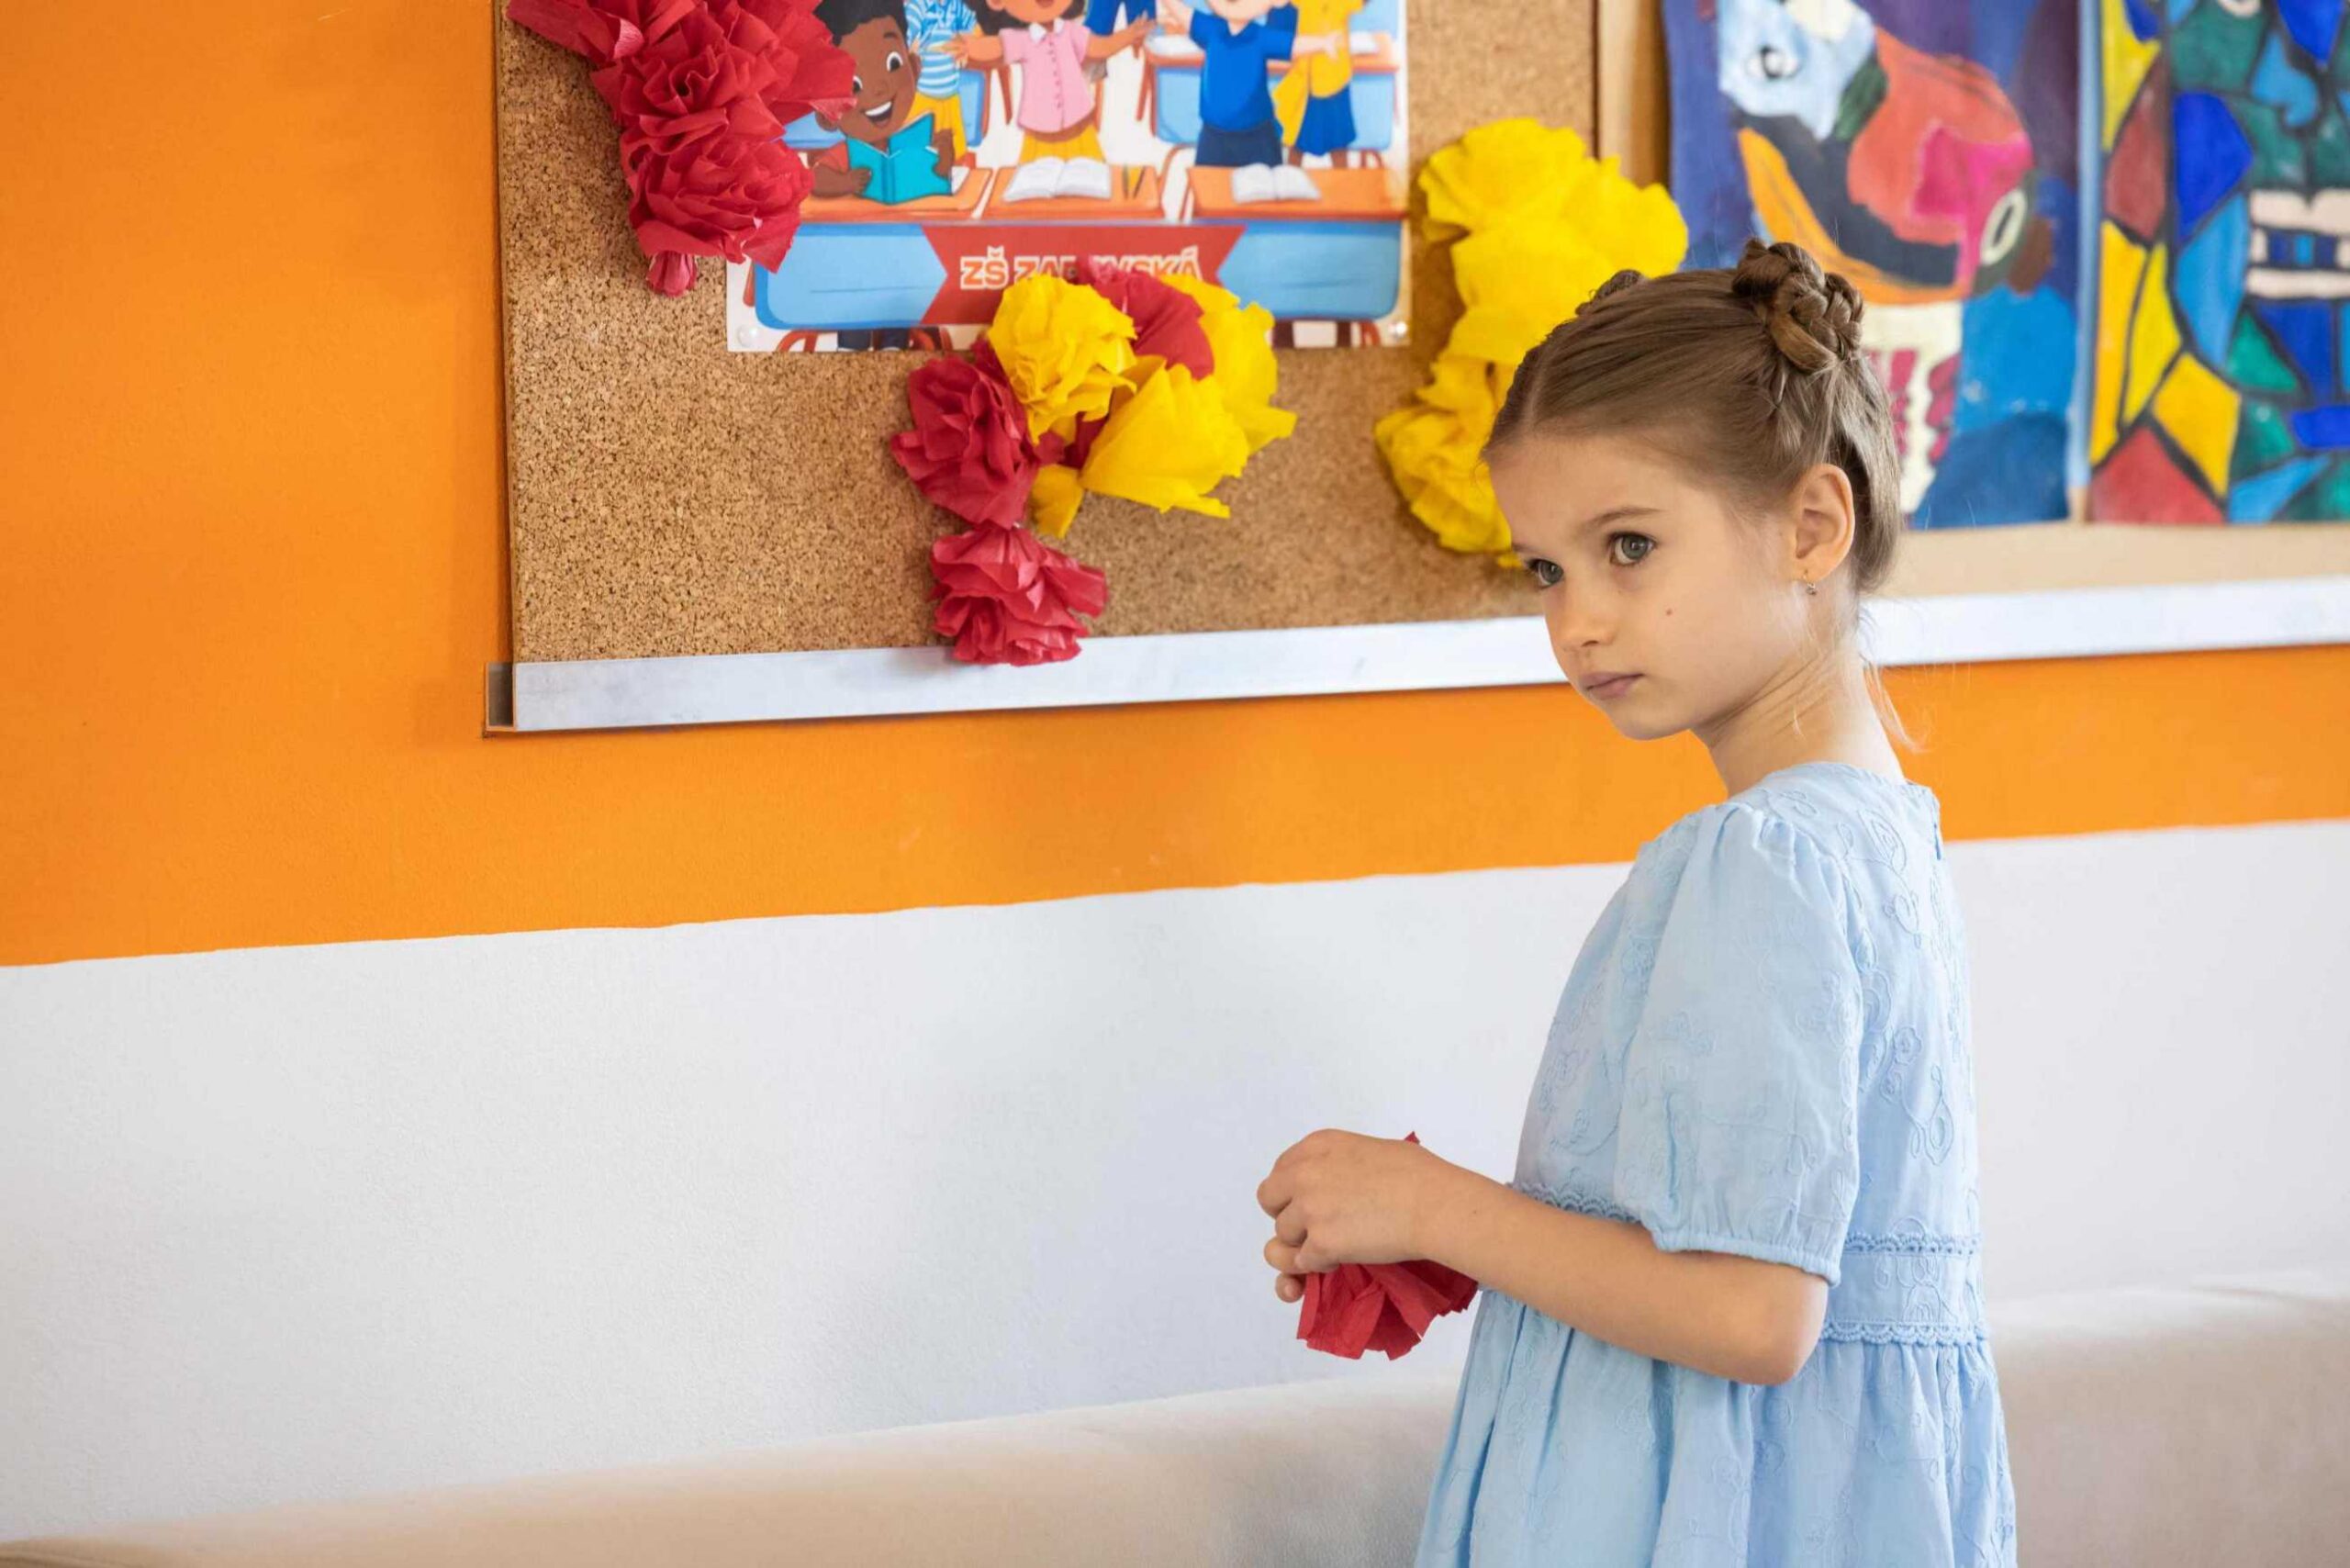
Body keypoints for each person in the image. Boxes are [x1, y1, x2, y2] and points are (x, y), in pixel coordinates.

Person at [1253, 240, 2019, 1566]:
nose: (1578, 624)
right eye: (1548, 571)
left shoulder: (1762, 857)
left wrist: (1435, 1207)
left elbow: (1751, 1313)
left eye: (1629, 547)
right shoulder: (1885, 841)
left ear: (1811, 527)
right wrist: (1472, 1237)